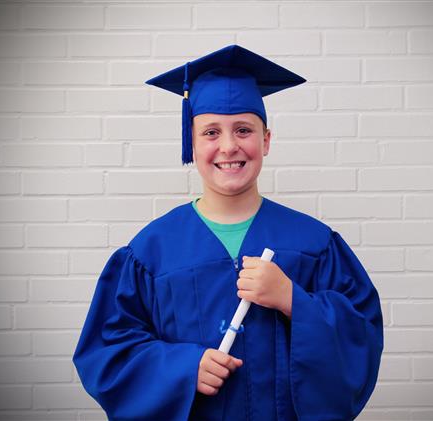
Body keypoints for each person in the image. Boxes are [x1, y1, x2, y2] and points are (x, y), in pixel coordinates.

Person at [73, 44, 383, 421]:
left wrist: (293, 301)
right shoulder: (150, 252)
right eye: (210, 132)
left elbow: (361, 337)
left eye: (243, 130)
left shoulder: (314, 243)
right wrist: (181, 369)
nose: (228, 146)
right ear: (191, 142)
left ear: (266, 140)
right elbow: (107, 353)